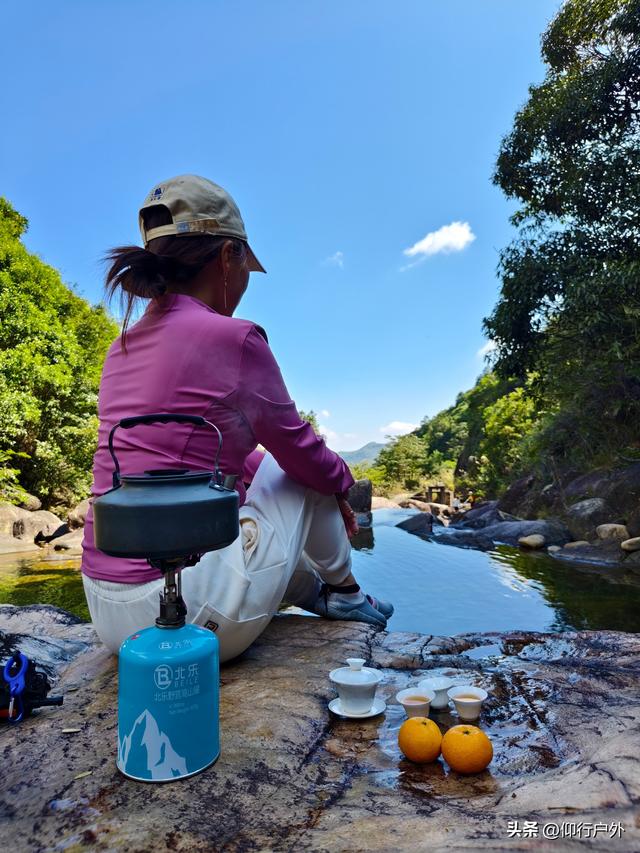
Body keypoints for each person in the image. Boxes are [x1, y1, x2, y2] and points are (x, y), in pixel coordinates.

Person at [81, 174, 393, 662]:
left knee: (270, 470)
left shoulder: (119, 349)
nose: (246, 278)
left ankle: (319, 594)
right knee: (305, 468)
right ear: (228, 258)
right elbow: (304, 455)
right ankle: (348, 593)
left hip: (106, 612)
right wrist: (340, 484)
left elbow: (195, 451)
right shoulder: (235, 338)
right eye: (246, 264)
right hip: (185, 620)